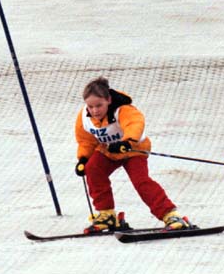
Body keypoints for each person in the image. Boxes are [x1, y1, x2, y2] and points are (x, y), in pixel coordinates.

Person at [75, 77, 190, 233]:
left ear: (108, 100)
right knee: (92, 169)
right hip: (108, 151)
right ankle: (106, 215)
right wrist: (83, 159)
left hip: (133, 150)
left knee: (141, 181)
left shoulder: (123, 110)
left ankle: (171, 215)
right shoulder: (84, 117)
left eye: (99, 105)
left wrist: (127, 142)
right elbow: (86, 141)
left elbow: (135, 124)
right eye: (90, 106)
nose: (95, 111)